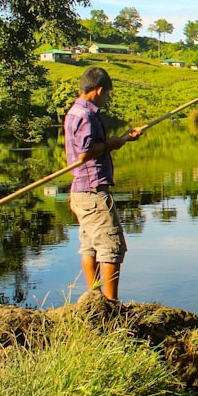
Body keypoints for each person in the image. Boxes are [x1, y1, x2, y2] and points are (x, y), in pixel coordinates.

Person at [64, 67, 142, 300]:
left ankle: (94, 301)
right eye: (107, 94)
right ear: (99, 90)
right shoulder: (85, 115)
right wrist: (112, 144)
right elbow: (84, 154)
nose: (107, 99)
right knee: (111, 247)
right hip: (92, 190)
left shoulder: (74, 112)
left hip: (81, 190)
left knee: (90, 245)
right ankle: (110, 304)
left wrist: (124, 138)